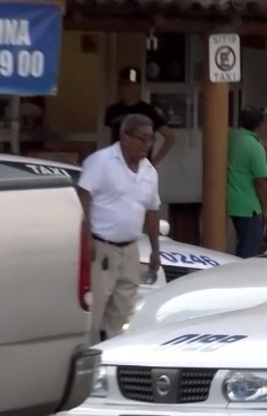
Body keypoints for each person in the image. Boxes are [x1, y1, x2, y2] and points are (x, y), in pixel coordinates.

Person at [77, 113, 161, 345]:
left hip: (130, 249)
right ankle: (88, 359)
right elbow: (83, 196)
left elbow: (152, 210)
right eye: (142, 138)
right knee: (94, 309)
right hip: (102, 247)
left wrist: (155, 249)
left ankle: (109, 359)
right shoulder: (102, 161)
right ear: (125, 137)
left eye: (150, 139)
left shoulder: (149, 171)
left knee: (122, 311)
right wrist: (87, 238)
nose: (146, 145)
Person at [103, 66, 176, 165]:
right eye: (122, 85)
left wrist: (154, 162)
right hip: (117, 164)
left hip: (139, 166)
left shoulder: (147, 111)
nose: (125, 89)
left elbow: (170, 137)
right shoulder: (112, 111)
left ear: (137, 87)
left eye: (129, 85)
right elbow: (107, 139)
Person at [226, 105, 267, 258]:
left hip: (232, 203)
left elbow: (263, 144)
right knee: (248, 252)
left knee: (241, 246)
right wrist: (265, 210)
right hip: (249, 207)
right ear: (260, 124)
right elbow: (261, 182)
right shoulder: (255, 147)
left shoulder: (232, 137)